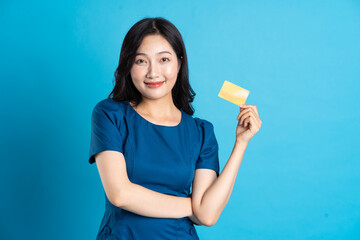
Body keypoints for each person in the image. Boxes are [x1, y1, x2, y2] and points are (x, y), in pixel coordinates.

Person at [88, 17, 262, 240]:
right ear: (128, 65)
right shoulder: (110, 114)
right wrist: (194, 206)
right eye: (141, 61)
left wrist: (241, 143)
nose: (153, 72)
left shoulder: (201, 132)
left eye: (164, 59)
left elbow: (208, 217)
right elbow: (120, 195)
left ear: (179, 63)